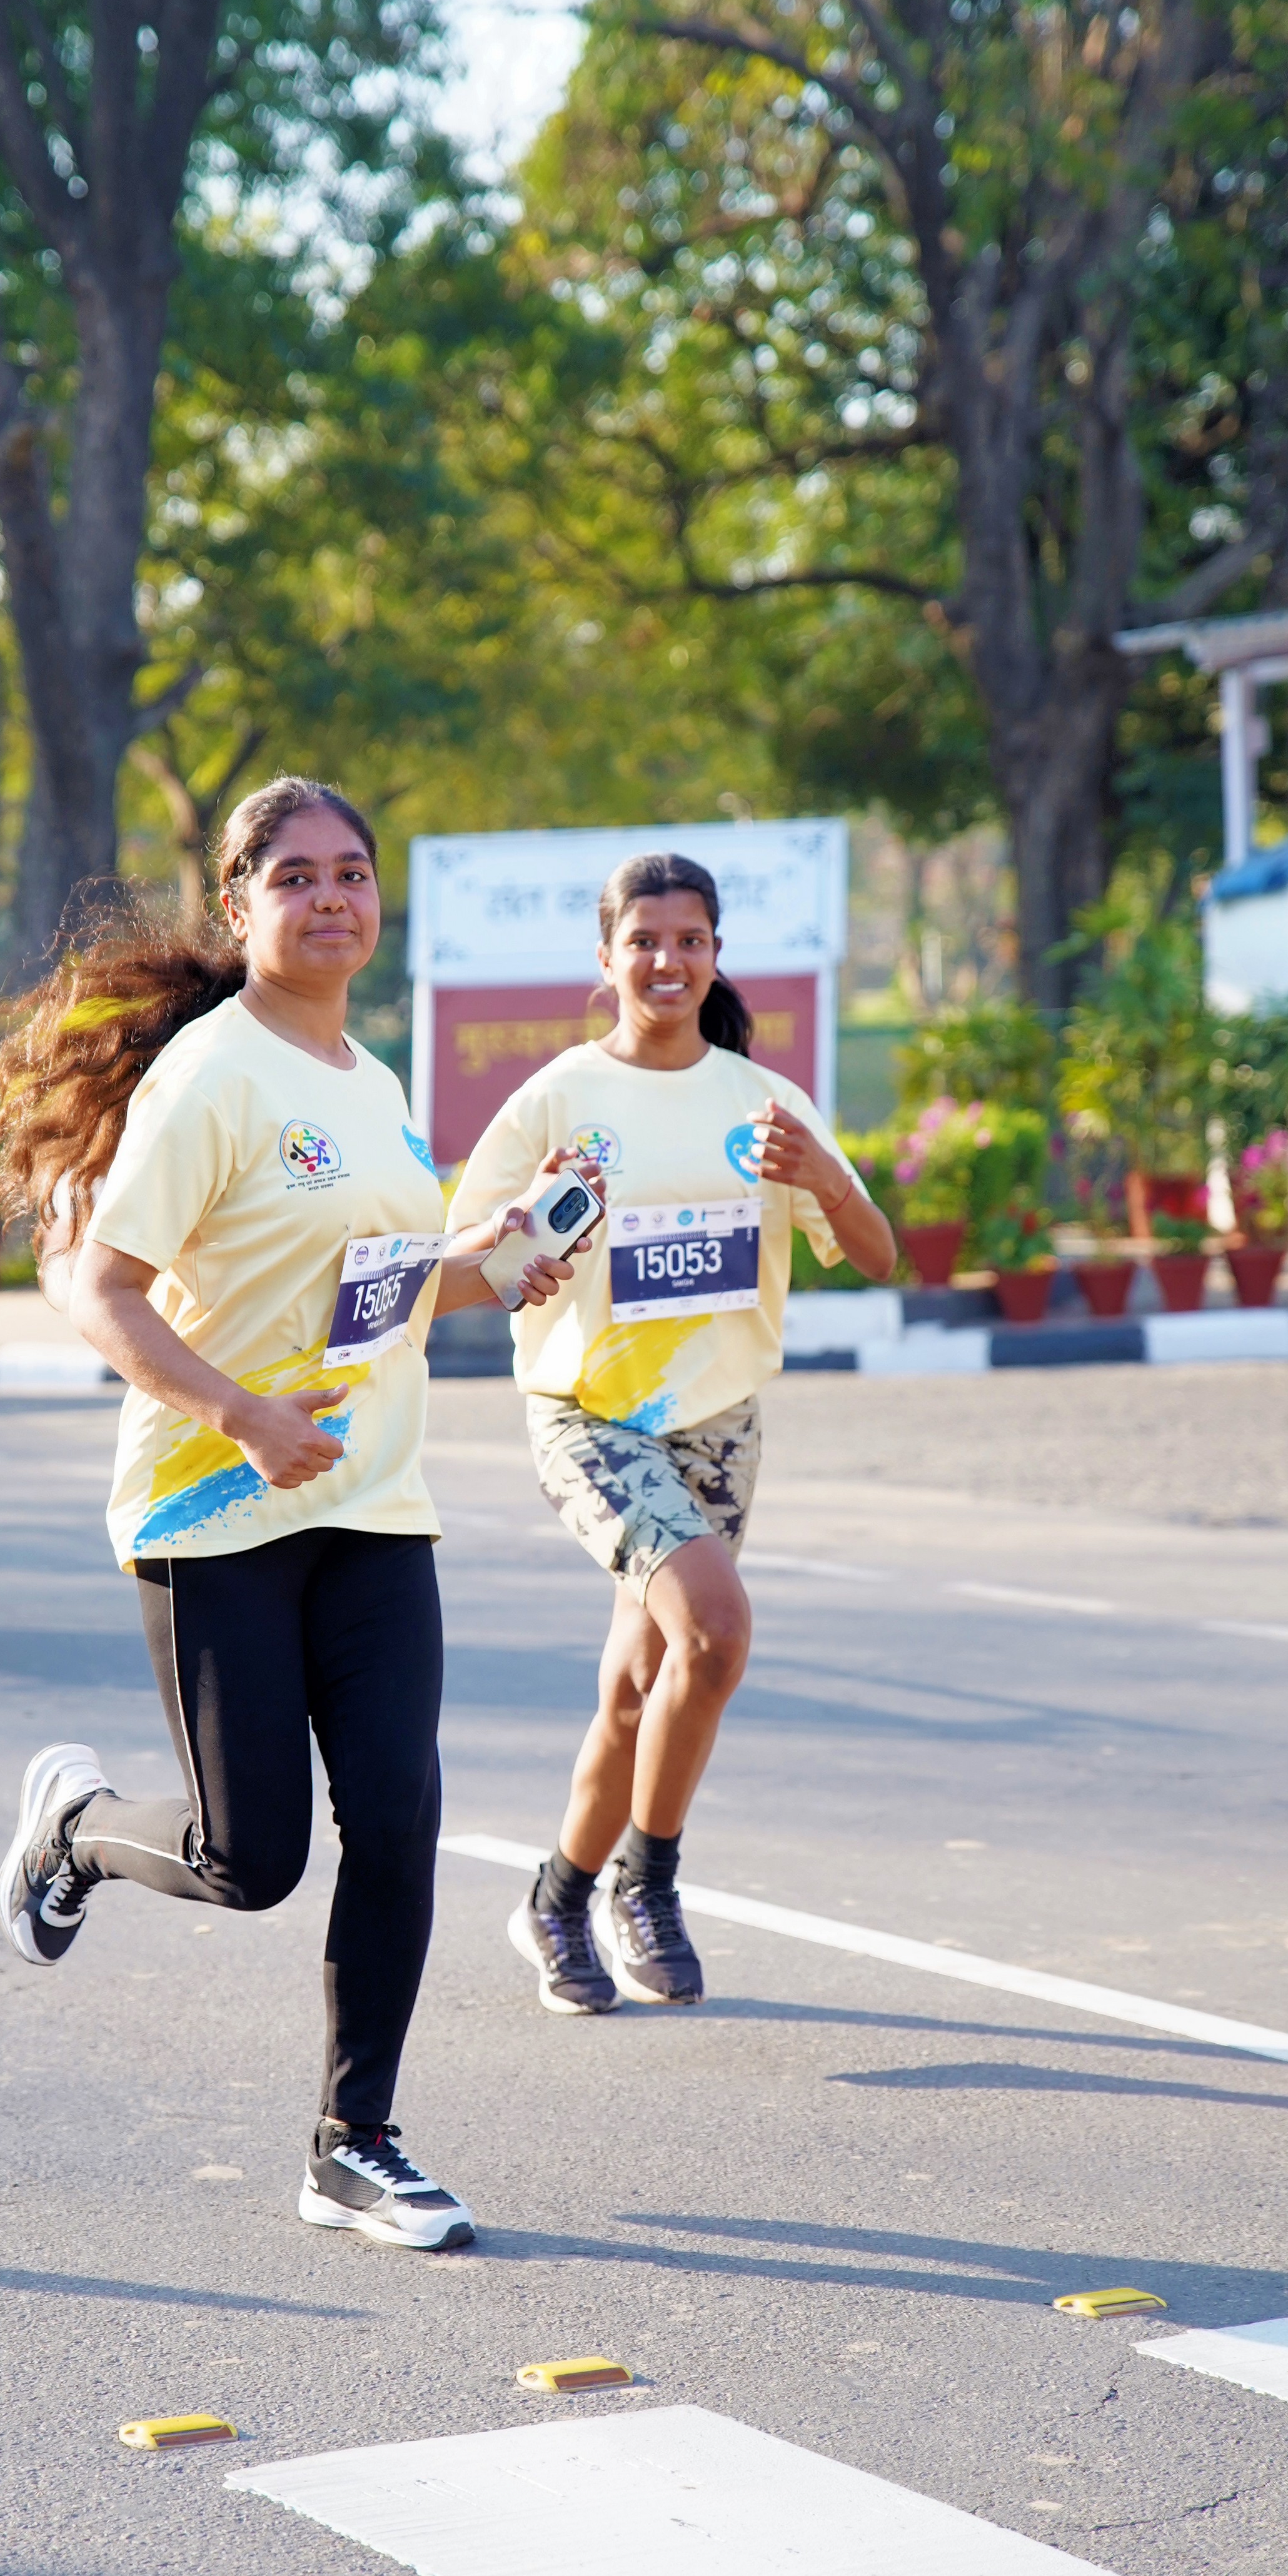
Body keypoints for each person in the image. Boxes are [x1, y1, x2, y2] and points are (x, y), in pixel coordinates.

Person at [0, 778, 586, 2251]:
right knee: (252, 1862)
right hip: (216, 1509)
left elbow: (379, 1290)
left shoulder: (373, 1086)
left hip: (373, 1501)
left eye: (351, 873)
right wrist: (243, 1415)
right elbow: (104, 1294)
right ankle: (74, 1831)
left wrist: (496, 1263)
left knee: (400, 1818)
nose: (329, 898)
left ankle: (352, 2145)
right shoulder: (210, 1076)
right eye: (294, 876)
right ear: (238, 906)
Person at [448, 851, 895, 2016]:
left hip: (720, 1428)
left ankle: (556, 1900)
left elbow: (878, 1254)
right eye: (643, 941)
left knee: (641, 1686)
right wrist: (523, 1235)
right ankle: (648, 1882)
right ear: (606, 959)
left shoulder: (764, 1103)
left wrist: (827, 1181)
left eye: (688, 940)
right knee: (717, 1630)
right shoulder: (555, 1097)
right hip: (589, 1418)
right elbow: (468, 1256)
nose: (666, 960)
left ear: (715, 955)